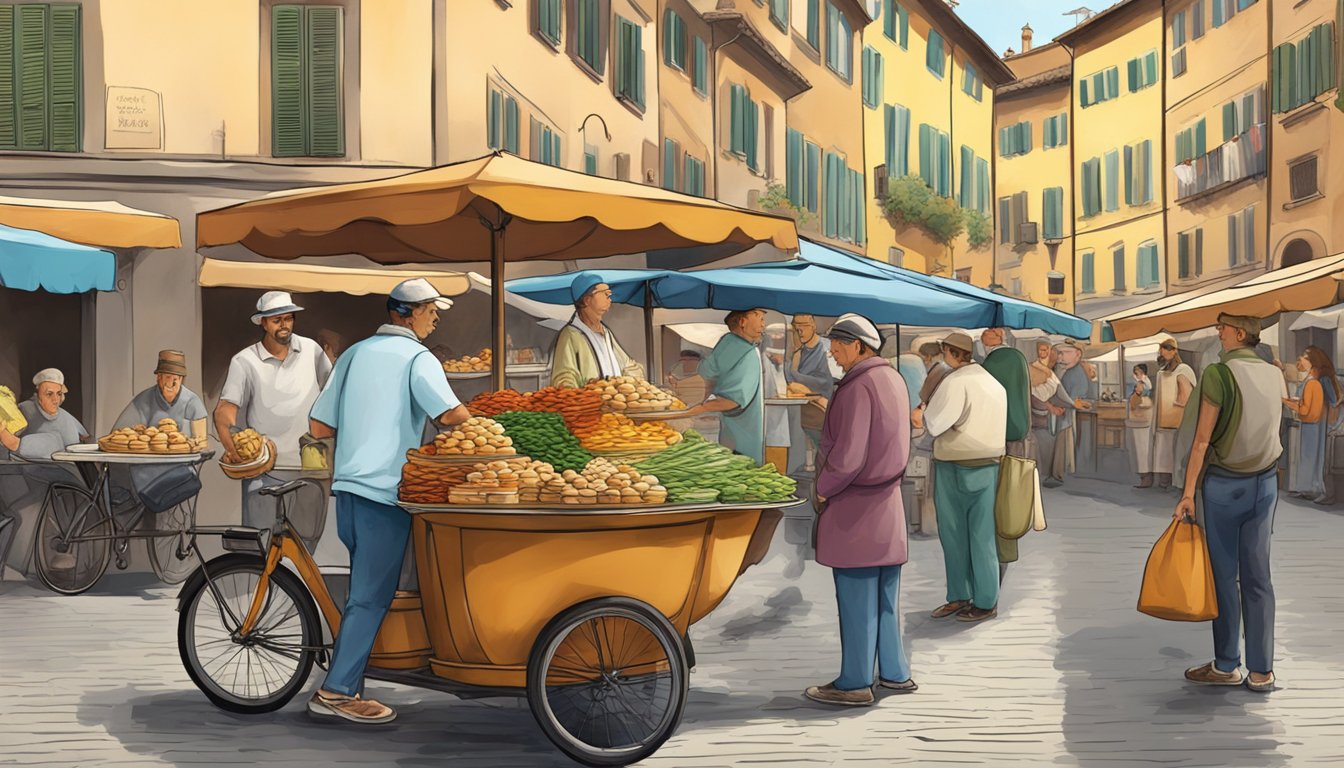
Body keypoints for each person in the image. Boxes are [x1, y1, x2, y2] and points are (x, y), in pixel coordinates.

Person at [306, 277, 471, 724]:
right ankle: (337, 692)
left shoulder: (355, 354)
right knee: (370, 596)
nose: (435, 317)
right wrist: (483, 429)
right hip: (387, 494)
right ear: (407, 312)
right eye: (430, 309)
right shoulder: (417, 358)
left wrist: (365, 424)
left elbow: (320, 427)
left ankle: (353, 678)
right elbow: (451, 415)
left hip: (348, 491)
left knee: (363, 591)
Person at [804, 314, 914, 707]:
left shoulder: (856, 386)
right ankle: (895, 673)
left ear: (860, 346)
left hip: (856, 508)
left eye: (838, 342)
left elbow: (848, 458)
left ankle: (854, 682)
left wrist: (821, 488)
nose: (831, 349)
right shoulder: (893, 379)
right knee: (885, 594)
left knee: (855, 597)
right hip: (888, 505)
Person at [1173, 314, 1285, 694]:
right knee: (1259, 577)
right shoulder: (1274, 373)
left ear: (1240, 333)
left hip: (1225, 484)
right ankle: (1261, 671)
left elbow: (1202, 441)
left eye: (1222, 328)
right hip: (1266, 482)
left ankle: (1226, 665)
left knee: (1224, 576)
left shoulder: (1219, 375)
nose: (1217, 333)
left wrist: (1188, 492)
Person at [214, 291, 333, 543]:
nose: (284, 325)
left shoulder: (311, 350)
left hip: (310, 468)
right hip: (264, 471)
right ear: (263, 323)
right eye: (277, 320)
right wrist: (230, 444)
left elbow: (333, 396)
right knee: (260, 549)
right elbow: (225, 410)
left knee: (305, 547)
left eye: (288, 319)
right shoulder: (244, 361)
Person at [912, 331, 1006, 623]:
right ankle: (986, 600)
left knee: (954, 536)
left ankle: (959, 596)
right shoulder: (993, 383)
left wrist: (919, 416)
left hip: (955, 466)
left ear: (950, 352)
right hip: (989, 466)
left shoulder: (954, 382)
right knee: (983, 535)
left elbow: (936, 424)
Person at [0, 368, 90, 574]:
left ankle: (65, 555)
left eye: (59, 394)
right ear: (38, 393)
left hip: (63, 476)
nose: (55, 399)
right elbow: (12, 445)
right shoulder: (23, 412)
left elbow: (81, 439)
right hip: (24, 474)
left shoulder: (67, 419)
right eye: (49, 394)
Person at [686, 308, 767, 464]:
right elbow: (733, 399)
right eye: (760, 318)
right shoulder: (747, 353)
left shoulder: (727, 343)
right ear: (743, 322)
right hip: (741, 434)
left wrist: (695, 407)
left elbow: (705, 374)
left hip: (735, 430)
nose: (763, 325)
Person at [982, 341, 1032, 574]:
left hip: (989, 446)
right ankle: (1005, 555)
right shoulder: (1019, 366)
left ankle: (990, 560)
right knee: (1009, 504)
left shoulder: (989, 370)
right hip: (1017, 447)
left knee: (989, 504)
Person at [549, 274, 642, 387]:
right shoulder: (570, 334)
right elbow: (564, 377)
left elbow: (627, 365)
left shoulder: (606, 333)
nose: (610, 299)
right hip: (590, 403)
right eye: (605, 294)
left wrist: (633, 380)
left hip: (613, 401)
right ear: (587, 300)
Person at [1284, 346, 1341, 504]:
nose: (1300, 359)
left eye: (1304, 356)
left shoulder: (1323, 379)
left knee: (1316, 454)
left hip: (1320, 422)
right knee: (1307, 453)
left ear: (1313, 361)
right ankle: (1306, 487)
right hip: (1309, 420)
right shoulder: (1310, 378)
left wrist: (1332, 423)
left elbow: (1334, 401)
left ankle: (1316, 488)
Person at [114, 351, 208, 446]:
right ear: (159, 377)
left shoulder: (192, 402)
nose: (171, 383)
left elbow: (202, 442)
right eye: (168, 377)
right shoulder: (143, 400)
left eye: (176, 379)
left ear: (181, 380)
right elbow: (118, 435)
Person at [785, 314, 836, 453]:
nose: (799, 330)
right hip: (801, 405)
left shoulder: (826, 348)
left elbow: (826, 381)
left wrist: (796, 377)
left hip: (821, 405)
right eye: (796, 326)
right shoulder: (798, 350)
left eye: (803, 325)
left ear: (813, 325)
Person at [1047, 341, 1094, 488]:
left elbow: (1076, 399)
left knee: (1064, 445)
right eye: (1059, 353)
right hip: (1060, 413)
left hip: (1068, 417)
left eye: (1066, 353)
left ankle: (1059, 475)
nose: (1061, 357)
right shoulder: (1061, 370)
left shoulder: (1077, 373)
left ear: (1077, 354)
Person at [1152, 337, 1196, 490]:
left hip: (1178, 419)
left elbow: (1186, 396)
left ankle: (1178, 483)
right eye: (1161, 350)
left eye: (1165, 349)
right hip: (1163, 420)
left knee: (1176, 451)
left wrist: (1177, 403)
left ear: (1174, 351)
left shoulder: (1183, 370)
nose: (1162, 353)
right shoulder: (1163, 371)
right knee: (1164, 452)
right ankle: (1165, 481)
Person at [1129, 363, 1156, 488]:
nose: (1136, 373)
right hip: (1137, 421)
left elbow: (1142, 393)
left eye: (1138, 371)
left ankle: (1147, 478)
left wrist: (1139, 392)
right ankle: (1143, 477)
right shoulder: (1136, 381)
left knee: (1144, 449)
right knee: (1138, 449)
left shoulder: (1146, 382)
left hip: (1145, 421)